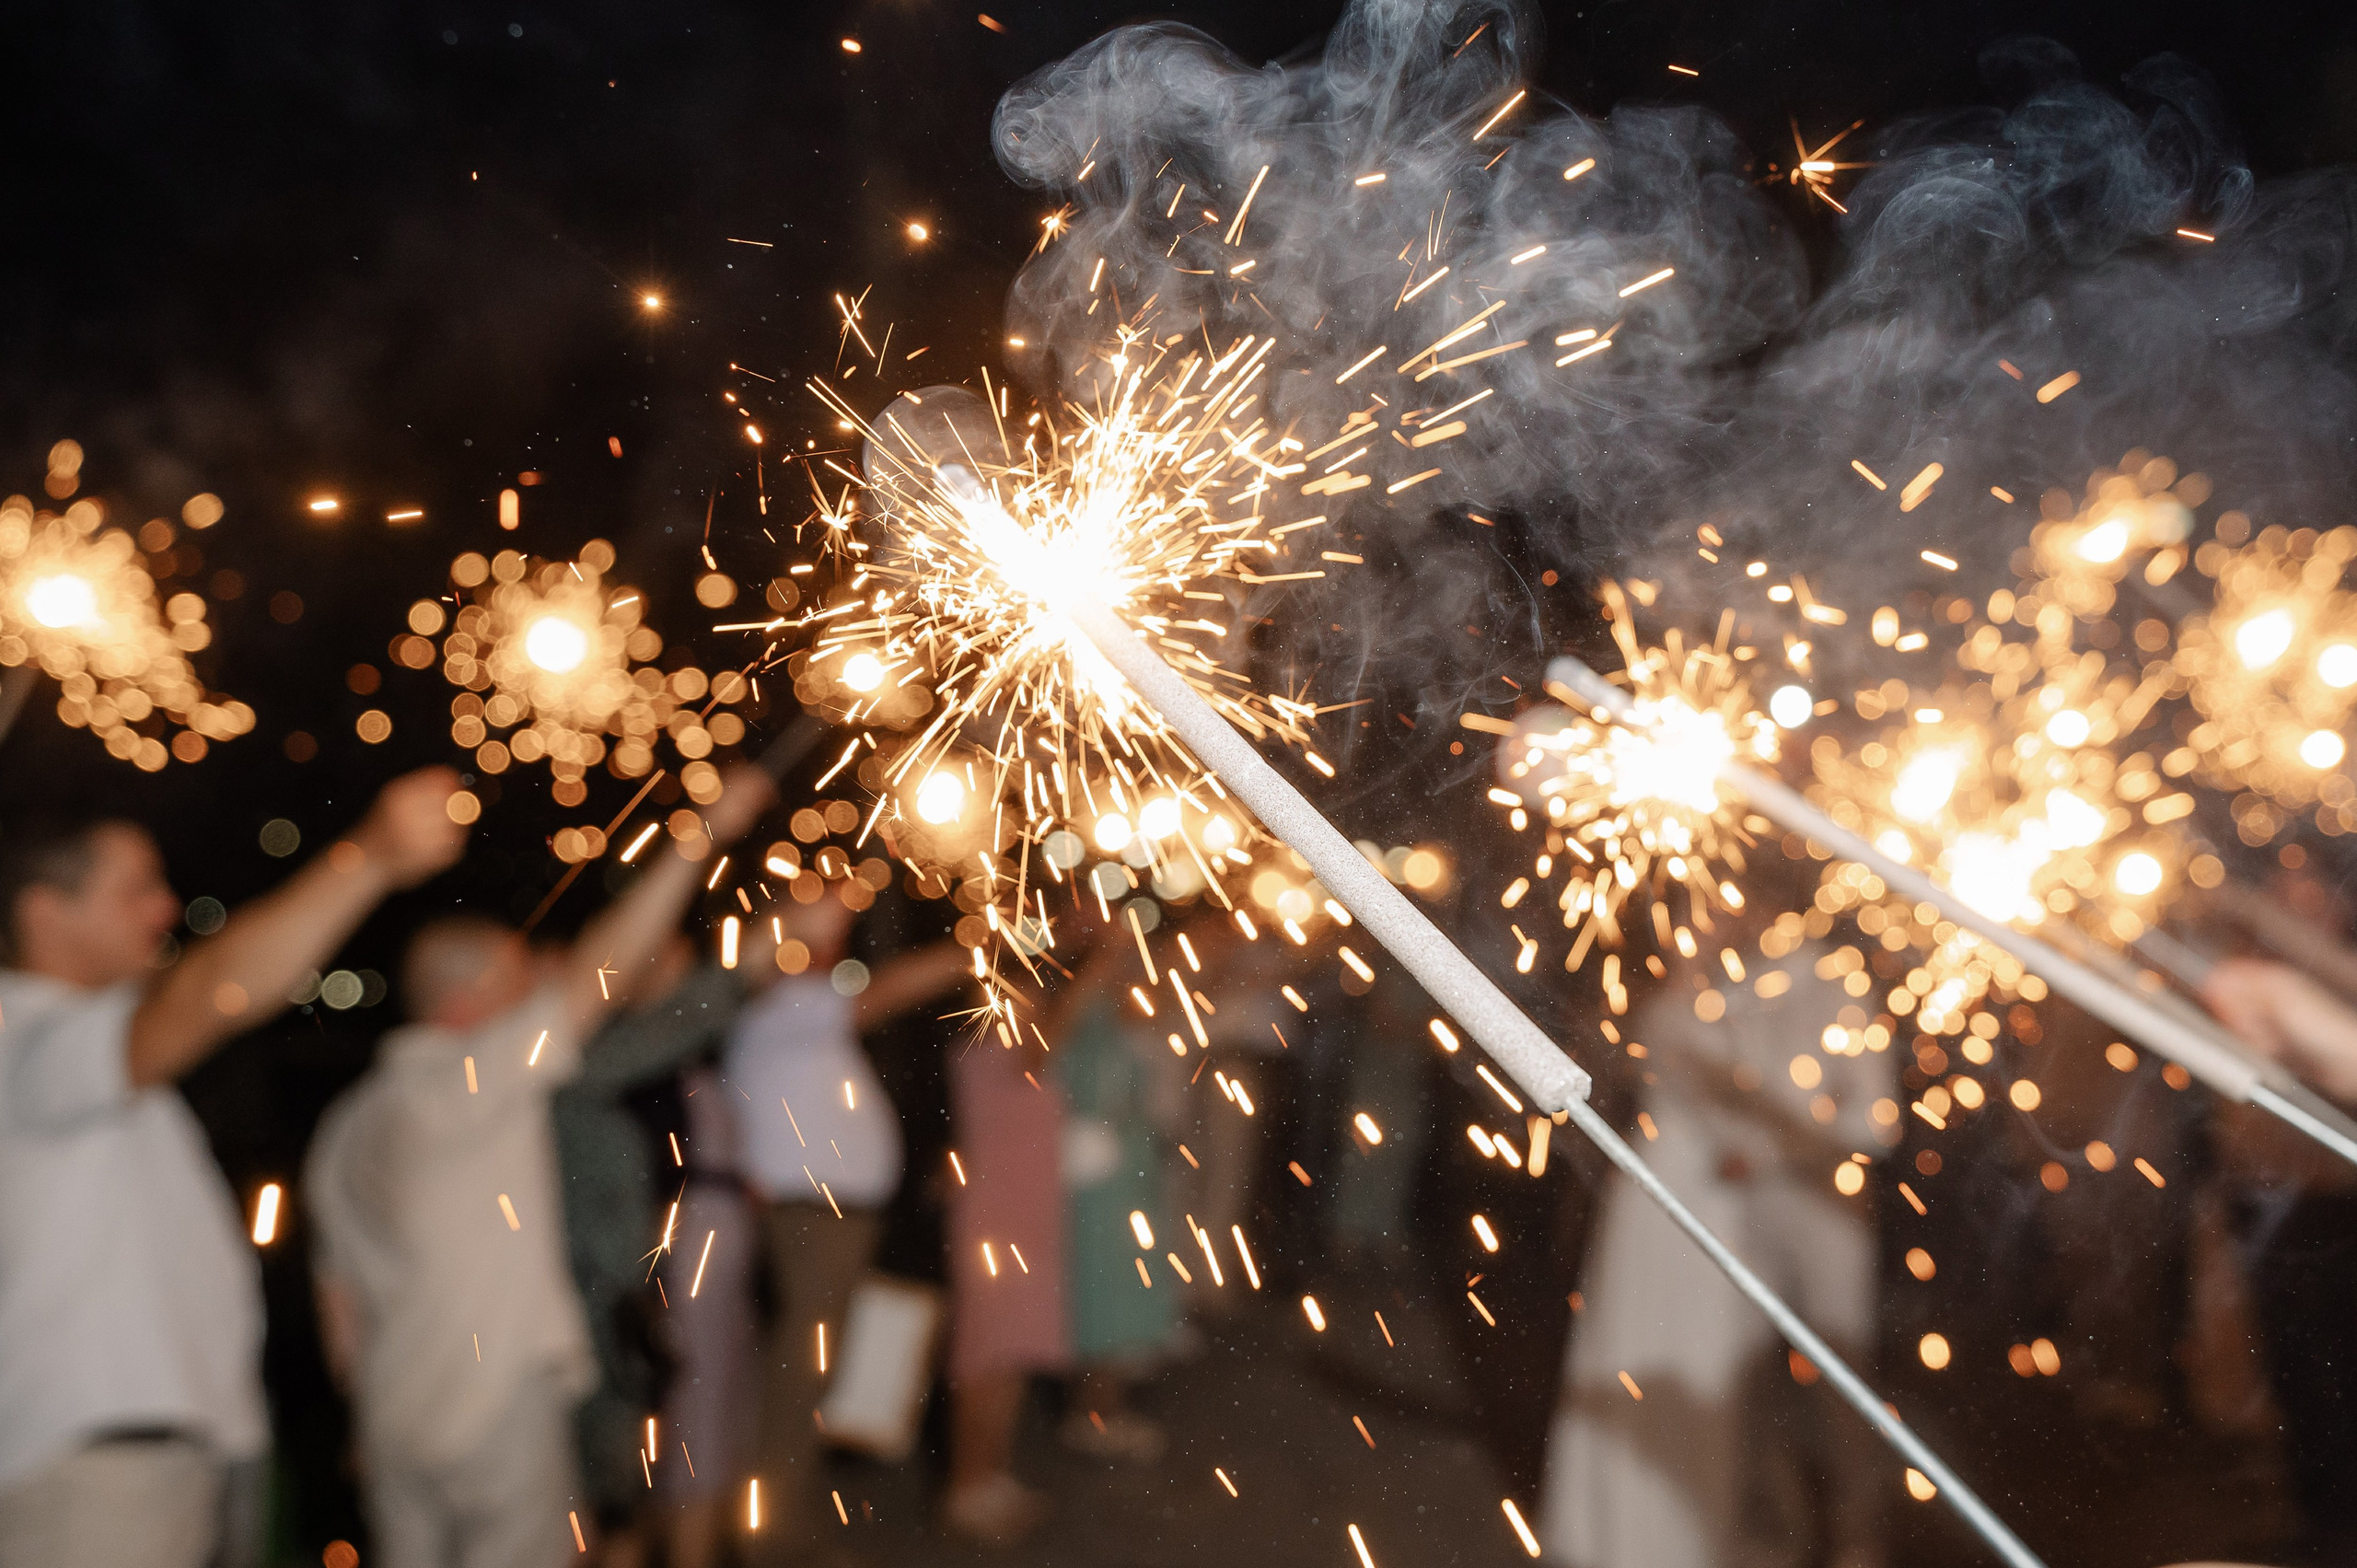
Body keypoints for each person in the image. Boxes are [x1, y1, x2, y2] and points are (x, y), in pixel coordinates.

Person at [0, 768, 467, 1568]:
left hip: (166, 1458)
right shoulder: (23, 1039)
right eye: (135, 888)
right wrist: (371, 855)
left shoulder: (89, 1062)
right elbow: (215, 989)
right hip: (97, 1474)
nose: (165, 907)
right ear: (46, 912)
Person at [305, 767, 771, 1568]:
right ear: (465, 1005)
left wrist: (363, 1425)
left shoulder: (345, 1125)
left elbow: (337, 1304)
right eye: (518, 980)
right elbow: (602, 974)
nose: (537, 993)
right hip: (492, 1411)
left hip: (393, 1415)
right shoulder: (474, 1081)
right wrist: (703, 833)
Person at [1539, 931, 1898, 1568]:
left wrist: (1767, 1151)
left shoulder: (1833, 982)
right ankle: (1732, 1527)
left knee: (1840, 1385)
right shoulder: (1713, 988)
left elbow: (1874, 1120)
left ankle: (1856, 1540)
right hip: (1719, 1206)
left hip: (1818, 1210)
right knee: (1731, 1379)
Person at [726, 879, 969, 1565]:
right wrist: (967, 949)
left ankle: (784, 1524)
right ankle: (772, 1537)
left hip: (824, 1213)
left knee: (809, 1372)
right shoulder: (780, 1003)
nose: (832, 944)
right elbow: (884, 992)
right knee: (801, 1373)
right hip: (813, 1215)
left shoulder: (785, 1009)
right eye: (815, 934)